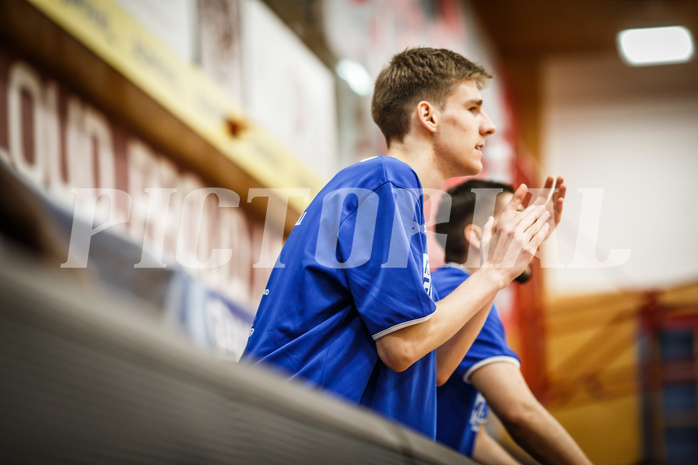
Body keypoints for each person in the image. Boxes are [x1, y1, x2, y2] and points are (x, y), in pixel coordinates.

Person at [242, 47, 564, 438]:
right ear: (428, 116)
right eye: (474, 108)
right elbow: (402, 348)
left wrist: (499, 268)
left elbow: (436, 364)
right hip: (296, 434)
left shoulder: (394, 193)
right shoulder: (385, 180)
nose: (489, 126)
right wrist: (493, 273)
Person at [433, 179, 591, 464]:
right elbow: (521, 413)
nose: (527, 234)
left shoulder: (459, 287)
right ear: (476, 236)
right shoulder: (458, 289)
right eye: (516, 219)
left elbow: (472, 437)